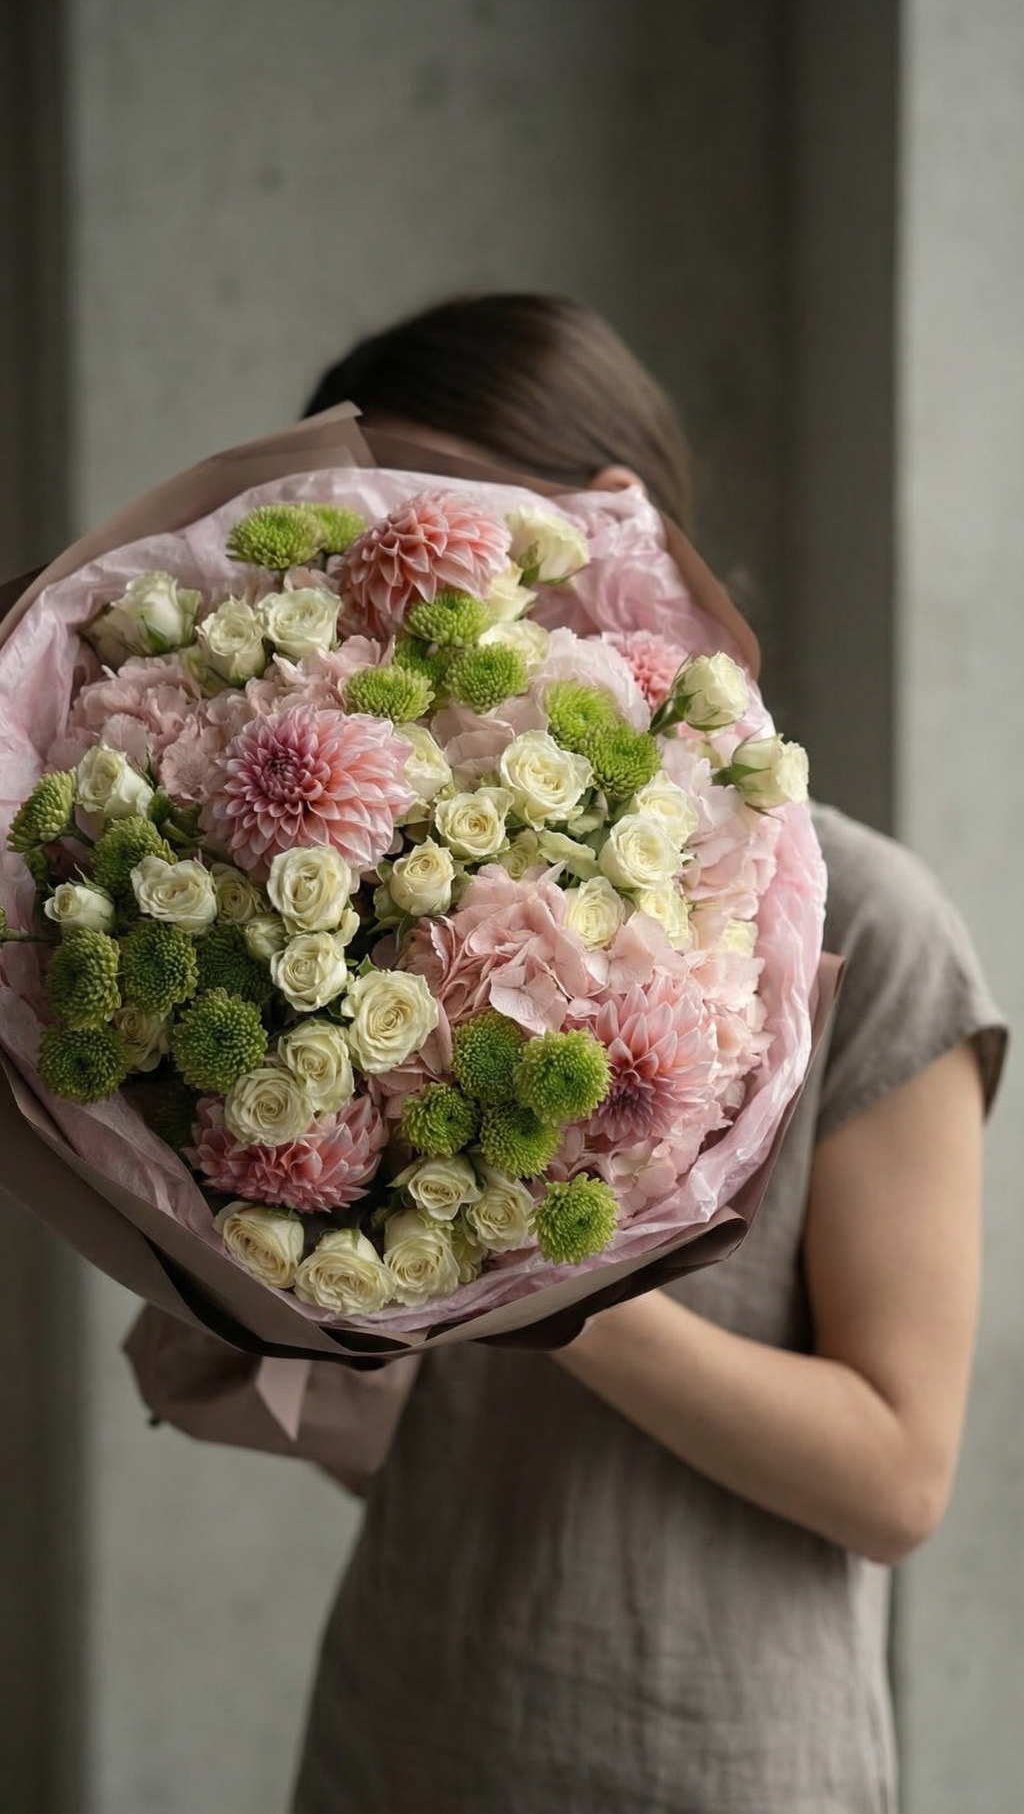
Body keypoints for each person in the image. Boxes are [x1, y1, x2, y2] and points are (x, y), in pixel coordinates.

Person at [292, 294, 1006, 1814]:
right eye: (376, 543)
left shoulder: (871, 925)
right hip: (398, 1735)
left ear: (622, 541)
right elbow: (387, 1431)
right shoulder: (361, 922)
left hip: (719, 1764)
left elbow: (897, 1474)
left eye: (468, 532)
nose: (430, 597)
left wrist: (540, 1269)